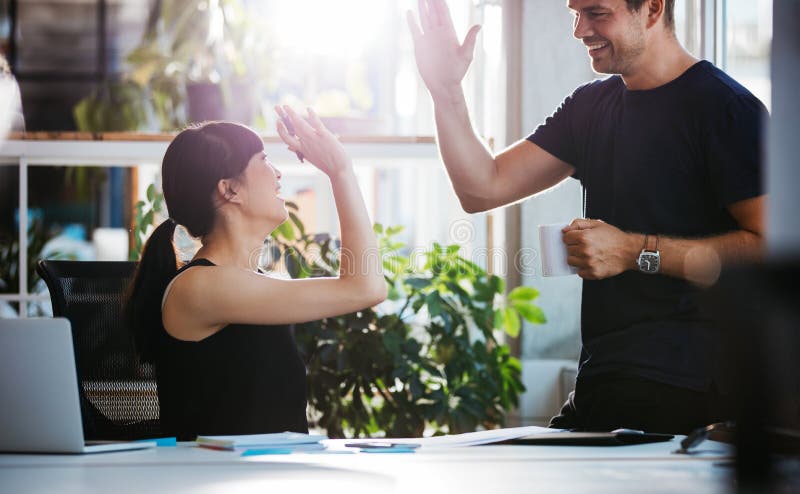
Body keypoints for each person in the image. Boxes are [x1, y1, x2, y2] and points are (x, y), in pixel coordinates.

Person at [408, 0, 766, 434]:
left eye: (596, 13)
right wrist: (445, 89)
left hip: (690, 386)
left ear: (651, 9)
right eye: (574, 13)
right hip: (606, 379)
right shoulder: (590, 106)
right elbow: (481, 187)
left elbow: (771, 245)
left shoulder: (727, 110)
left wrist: (635, 250)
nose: (579, 31)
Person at [125, 109, 386, 440]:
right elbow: (365, 288)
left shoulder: (252, 283)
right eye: (263, 160)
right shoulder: (202, 286)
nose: (278, 174)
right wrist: (341, 171)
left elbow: (363, 287)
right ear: (229, 189)